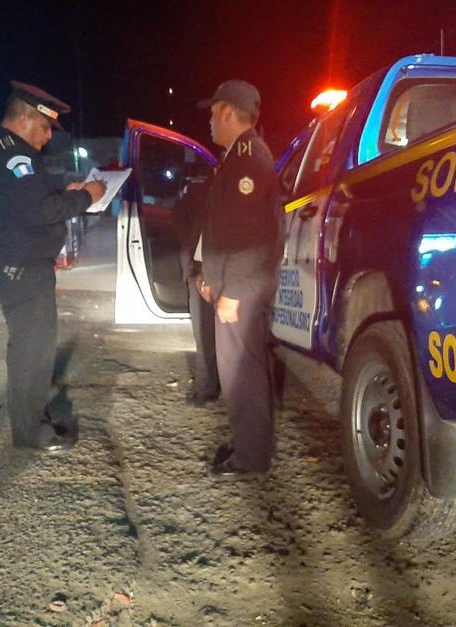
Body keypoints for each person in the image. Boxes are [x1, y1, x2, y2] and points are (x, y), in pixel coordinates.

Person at [0, 80, 107, 453]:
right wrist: (87, 196)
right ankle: (30, 432)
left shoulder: (8, 151)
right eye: (46, 127)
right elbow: (40, 210)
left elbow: (33, 201)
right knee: (32, 352)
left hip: (22, 266)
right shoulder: (12, 154)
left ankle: (32, 419)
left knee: (31, 350)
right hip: (22, 268)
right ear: (24, 117)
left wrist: (63, 195)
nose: (49, 136)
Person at [196, 80, 284, 480]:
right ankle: (249, 443)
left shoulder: (249, 157)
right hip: (235, 282)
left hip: (244, 286)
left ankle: (251, 457)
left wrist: (230, 291)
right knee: (237, 369)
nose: (210, 121)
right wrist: (211, 276)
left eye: (213, 113)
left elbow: (250, 237)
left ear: (228, 112)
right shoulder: (237, 157)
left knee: (241, 372)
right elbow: (224, 229)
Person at [172, 176, 221, 407]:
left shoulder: (198, 190)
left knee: (204, 334)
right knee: (223, 336)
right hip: (219, 270)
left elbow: (178, 217)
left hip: (204, 269)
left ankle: (208, 389)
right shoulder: (217, 190)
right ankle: (214, 387)